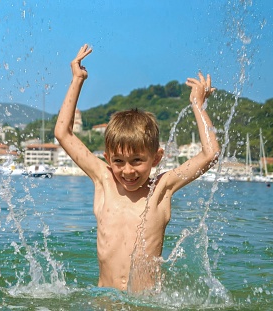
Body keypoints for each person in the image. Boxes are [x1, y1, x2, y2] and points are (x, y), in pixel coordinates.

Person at [54, 45, 220, 292]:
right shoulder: (104, 180)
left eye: (137, 161)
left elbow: (211, 154)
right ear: (107, 158)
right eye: (118, 161)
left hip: (147, 305)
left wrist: (197, 104)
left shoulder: (161, 188)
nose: (127, 171)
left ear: (156, 158)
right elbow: (63, 133)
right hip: (105, 303)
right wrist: (77, 80)